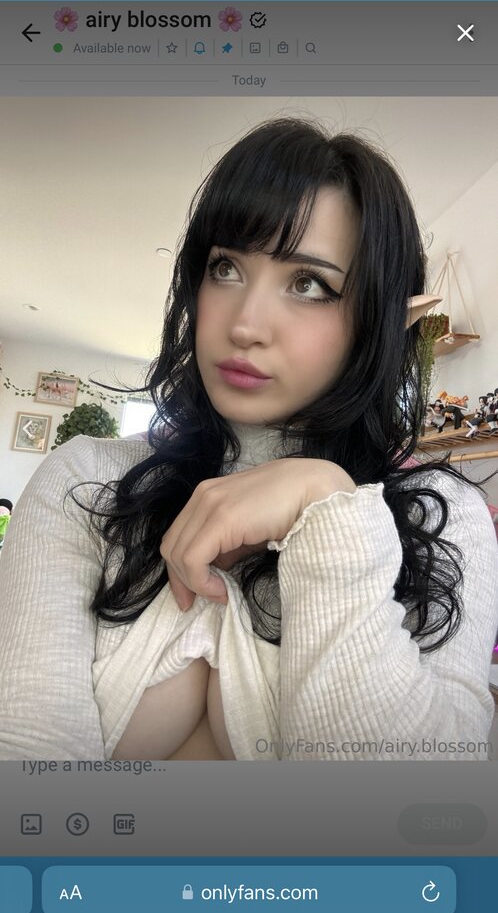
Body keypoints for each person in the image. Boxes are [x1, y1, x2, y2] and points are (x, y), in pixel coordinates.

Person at [1, 116, 498, 762]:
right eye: (226, 268)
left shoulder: (444, 516)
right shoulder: (83, 480)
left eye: (309, 284)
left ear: (380, 319)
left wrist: (327, 505)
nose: (245, 324)